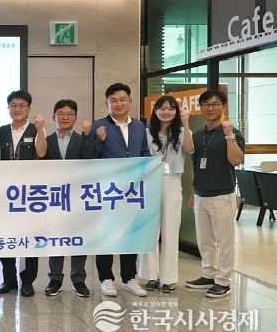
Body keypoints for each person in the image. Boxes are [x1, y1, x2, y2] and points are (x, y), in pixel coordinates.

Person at [89, 82, 150, 297]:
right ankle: (106, 278)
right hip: (108, 191)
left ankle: (129, 278)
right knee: (107, 234)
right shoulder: (99, 126)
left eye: (123, 99)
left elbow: (144, 152)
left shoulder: (139, 126)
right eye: (113, 100)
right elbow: (90, 158)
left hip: (132, 191)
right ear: (107, 103)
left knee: (130, 234)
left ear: (130, 101)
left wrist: (153, 164)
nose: (118, 104)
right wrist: (99, 140)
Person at [185, 89, 244, 298]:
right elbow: (195, 164)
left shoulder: (232, 132)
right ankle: (208, 274)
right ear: (201, 108)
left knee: (225, 241)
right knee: (205, 240)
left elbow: (236, 160)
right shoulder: (198, 134)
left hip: (222, 195)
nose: (210, 108)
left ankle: (223, 281)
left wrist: (229, 136)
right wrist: (193, 191)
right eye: (206, 104)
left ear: (223, 106)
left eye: (215, 104)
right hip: (201, 195)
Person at [138, 96, 194, 293]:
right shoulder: (146, 132)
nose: (166, 112)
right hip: (150, 182)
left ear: (176, 112)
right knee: (149, 230)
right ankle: (150, 276)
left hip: (172, 182)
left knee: (171, 230)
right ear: (155, 111)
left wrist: (186, 123)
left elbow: (190, 149)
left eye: (171, 108)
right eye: (162, 108)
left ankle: (169, 278)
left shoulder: (183, 131)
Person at [0, 90, 47, 297]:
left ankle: (27, 281)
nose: (17, 109)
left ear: (29, 108)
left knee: (29, 238)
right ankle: (9, 280)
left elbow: (42, 153)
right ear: (8, 108)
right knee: (6, 236)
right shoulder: (1, 131)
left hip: (29, 195)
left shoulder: (36, 130)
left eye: (22, 106)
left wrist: (40, 130)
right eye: (13, 106)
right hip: (5, 194)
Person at [42, 99, 93, 298]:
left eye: (69, 113)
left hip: (78, 197)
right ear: (53, 116)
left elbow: (90, 161)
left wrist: (88, 135)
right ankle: (55, 279)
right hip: (55, 197)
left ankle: (78, 279)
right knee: (56, 237)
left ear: (75, 117)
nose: (65, 117)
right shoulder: (47, 140)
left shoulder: (83, 139)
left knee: (79, 238)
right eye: (61, 113)